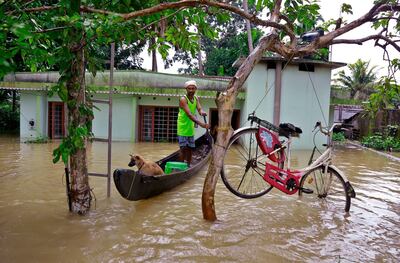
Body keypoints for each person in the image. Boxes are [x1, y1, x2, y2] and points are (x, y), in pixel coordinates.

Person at [177, 80, 209, 165]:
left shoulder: (196, 98)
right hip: (182, 127)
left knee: (190, 148)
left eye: (193, 88)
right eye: (189, 88)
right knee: (183, 148)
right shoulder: (183, 99)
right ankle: (181, 167)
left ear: (196, 89)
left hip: (190, 127)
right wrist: (201, 124)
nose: (191, 90)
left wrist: (201, 112)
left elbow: (199, 109)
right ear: (186, 89)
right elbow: (189, 114)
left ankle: (188, 165)